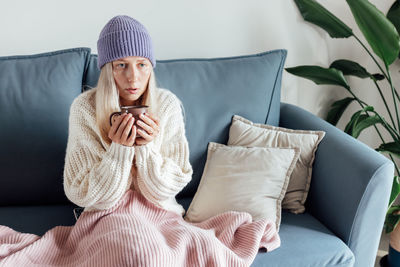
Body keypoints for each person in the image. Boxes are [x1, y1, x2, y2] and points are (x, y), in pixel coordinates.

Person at [63, 15, 193, 216]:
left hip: (161, 214)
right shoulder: (85, 109)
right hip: (107, 217)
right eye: (121, 65)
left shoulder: (167, 105)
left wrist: (146, 148)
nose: (133, 77)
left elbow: (168, 189)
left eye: (142, 64)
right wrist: (119, 151)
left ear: (151, 67)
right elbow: (82, 193)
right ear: (108, 70)